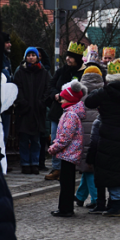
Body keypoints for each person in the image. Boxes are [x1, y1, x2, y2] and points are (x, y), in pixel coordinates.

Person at [85, 59, 120, 217]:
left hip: (110, 134)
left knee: (113, 169)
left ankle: (116, 205)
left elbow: (89, 102)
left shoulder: (105, 92)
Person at [45, 42, 85, 180]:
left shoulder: (83, 72)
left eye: (71, 57)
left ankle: (69, 167)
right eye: (67, 56)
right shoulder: (62, 71)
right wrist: (55, 94)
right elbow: (51, 85)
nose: (68, 59)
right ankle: (56, 168)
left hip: (74, 112)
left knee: (71, 141)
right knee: (56, 138)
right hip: (58, 110)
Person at [47, 80, 87, 217]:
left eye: (63, 98)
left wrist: (54, 148)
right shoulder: (72, 113)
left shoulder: (70, 114)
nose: (60, 100)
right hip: (71, 153)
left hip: (68, 154)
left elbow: (65, 136)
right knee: (68, 182)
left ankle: (65, 208)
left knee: (66, 183)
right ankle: (66, 207)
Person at [12, 47, 51, 174]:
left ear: (37, 57)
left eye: (33, 55)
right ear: (25, 57)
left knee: (36, 140)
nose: (31, 57)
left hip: (38, 111)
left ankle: (34, 163)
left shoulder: (44, 72)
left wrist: (42, 102)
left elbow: (48, 89)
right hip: (24, 111)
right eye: (29, 55)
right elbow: (17, 89)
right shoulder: (20, 72)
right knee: (24, 139)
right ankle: (25, 163)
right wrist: (22, 102)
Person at [74, 66, 104, 210]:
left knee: (88, 167)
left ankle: (96, 198)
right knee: (90, 167)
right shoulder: (104, 92)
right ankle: (80, 196)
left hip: (81, 136)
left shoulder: (79, 93)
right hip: (98, 134)